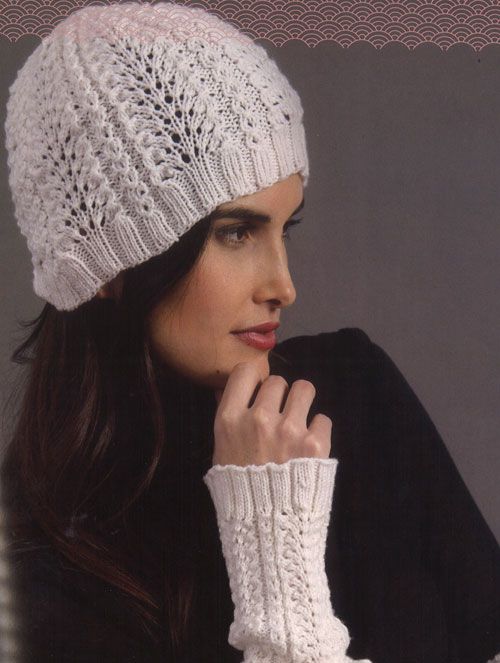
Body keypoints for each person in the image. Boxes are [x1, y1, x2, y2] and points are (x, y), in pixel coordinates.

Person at [1, 3, 499, 662]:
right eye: (236, 233)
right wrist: (277, 562)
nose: (283, 287)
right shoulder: (38, 560)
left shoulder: (353, 390)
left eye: (283, 228)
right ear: (107, 266)